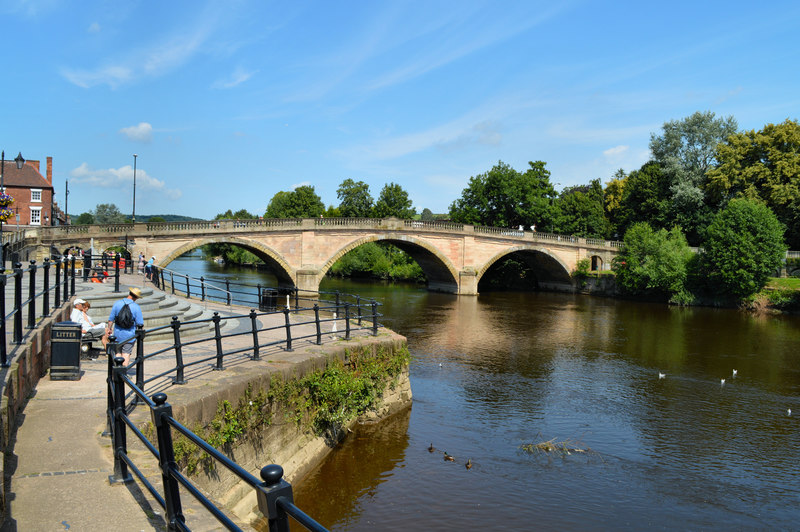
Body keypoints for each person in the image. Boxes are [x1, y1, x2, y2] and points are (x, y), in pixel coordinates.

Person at [107, 287, 144, 366]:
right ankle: (123, 373)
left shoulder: (117, 303)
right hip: (130, 335)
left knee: (117, 353)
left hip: (117, 334)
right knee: (126, 353)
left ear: (129, 293)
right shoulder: (136, 307)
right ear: (136, 297)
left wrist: (109, 329)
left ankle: (116, 372)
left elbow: (111, 320)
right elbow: (140, 323)